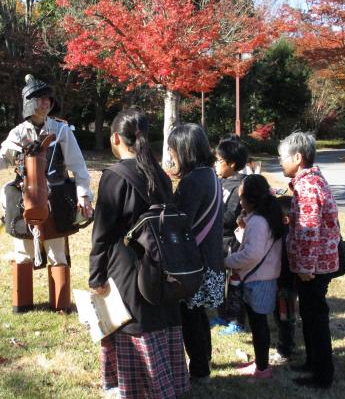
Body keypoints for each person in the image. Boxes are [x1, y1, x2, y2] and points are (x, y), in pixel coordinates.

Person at [89, 108, 189, 399]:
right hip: (162, 267)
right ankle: (167, 386)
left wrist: (96, 276)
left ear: (116, 138)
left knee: (132, 325)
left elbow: (102, 234)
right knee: (159, 319)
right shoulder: (161, 175)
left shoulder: (115, 176)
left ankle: (133, 390)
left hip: (128, 269)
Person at [0, 74, 93, 312]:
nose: (45, 103)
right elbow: (3, 157)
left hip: (57, 195)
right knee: (23, 250)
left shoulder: (62, 130)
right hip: (25, 197)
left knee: (57, 252)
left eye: (48, 99)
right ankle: (22, 303)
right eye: (40, 99)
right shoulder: (18, 133)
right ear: (29, 102)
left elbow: (78, 166)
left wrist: (84, 195)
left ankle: (60, 303)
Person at [278, 131, 339, 389]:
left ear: (298, 158)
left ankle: (322, 375)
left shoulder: (308, 185)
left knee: (316, 319)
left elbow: (310, 229)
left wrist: (304, 266)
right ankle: (313, 363)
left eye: (282, 158)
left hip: (314, 266)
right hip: (314, 263)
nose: (281, 162)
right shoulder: (307, 181)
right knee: (310, 315)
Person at [166, 124, 224, 385]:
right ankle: (205, 364)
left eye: (172, 148)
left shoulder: (192, 181)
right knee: (199, 315)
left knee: (191, 318)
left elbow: (181, 221)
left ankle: (199, 370)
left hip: (194, 264)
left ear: (184, 149)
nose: (170, 153)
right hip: (211, 260)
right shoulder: (210, 174)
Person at [225, 175, 283, 379]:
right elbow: (255, 245)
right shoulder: (263, 217)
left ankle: (262, 368)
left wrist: (226, 262)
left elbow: (252, 253)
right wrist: (243, 226)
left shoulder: (258, 221)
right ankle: (260, 363)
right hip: (263, 278)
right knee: (258, 324)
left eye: (241, 198)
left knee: (259, 326)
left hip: (259, 280)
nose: (239, 202)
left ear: (250, 199)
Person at [212, 139, 249, 335]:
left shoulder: (239, 185)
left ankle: (236, 320)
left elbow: (230, 217)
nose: (215, 164)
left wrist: (209, 217)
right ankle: (221, 314)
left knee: (234, 281)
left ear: (232, 163)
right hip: (217, 241)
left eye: (219, 160)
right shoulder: (218, 181)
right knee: (218, 279)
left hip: (233, 241)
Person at [272, 195, 298, 364]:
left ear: (286, 219)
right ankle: (286, 344)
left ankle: (285, 349)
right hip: (285, 284)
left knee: (285, 318)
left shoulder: (285, 237)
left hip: (285, 284)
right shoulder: (287, 234)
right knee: (285, 317)